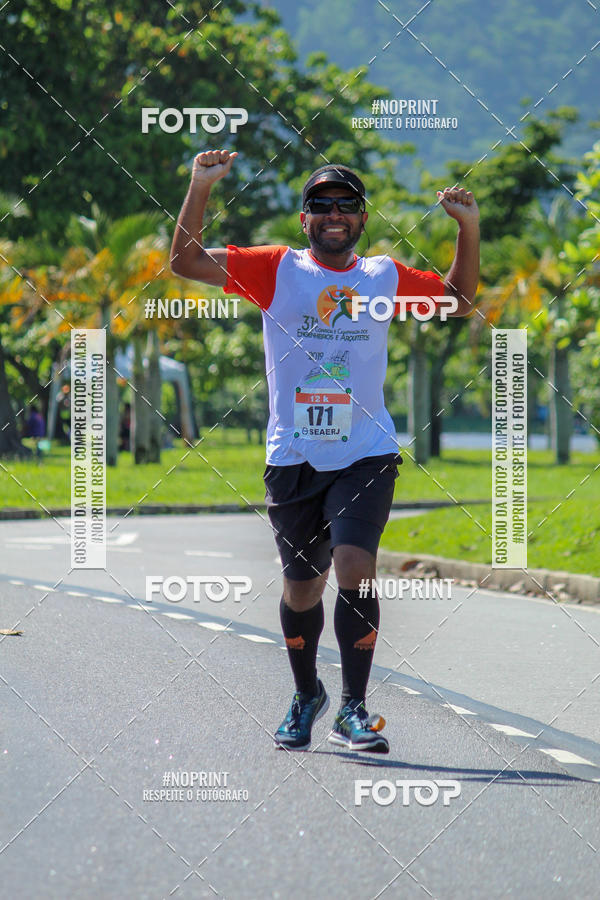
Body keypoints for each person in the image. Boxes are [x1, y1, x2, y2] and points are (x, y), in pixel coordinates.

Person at [171, 150, 479, 753]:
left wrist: (468, 228)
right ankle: (306, 692)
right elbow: (183, 261)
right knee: (301, 589)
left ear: (363, 219)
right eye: (321, 205)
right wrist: (200, 186)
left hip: (366, 452)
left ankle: (355, 708)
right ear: (305, 219)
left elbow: (459, 303)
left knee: (356, 571)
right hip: (293, 457)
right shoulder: (276, 269)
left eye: (346, 206)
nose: (333, 214)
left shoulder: (383, 278)